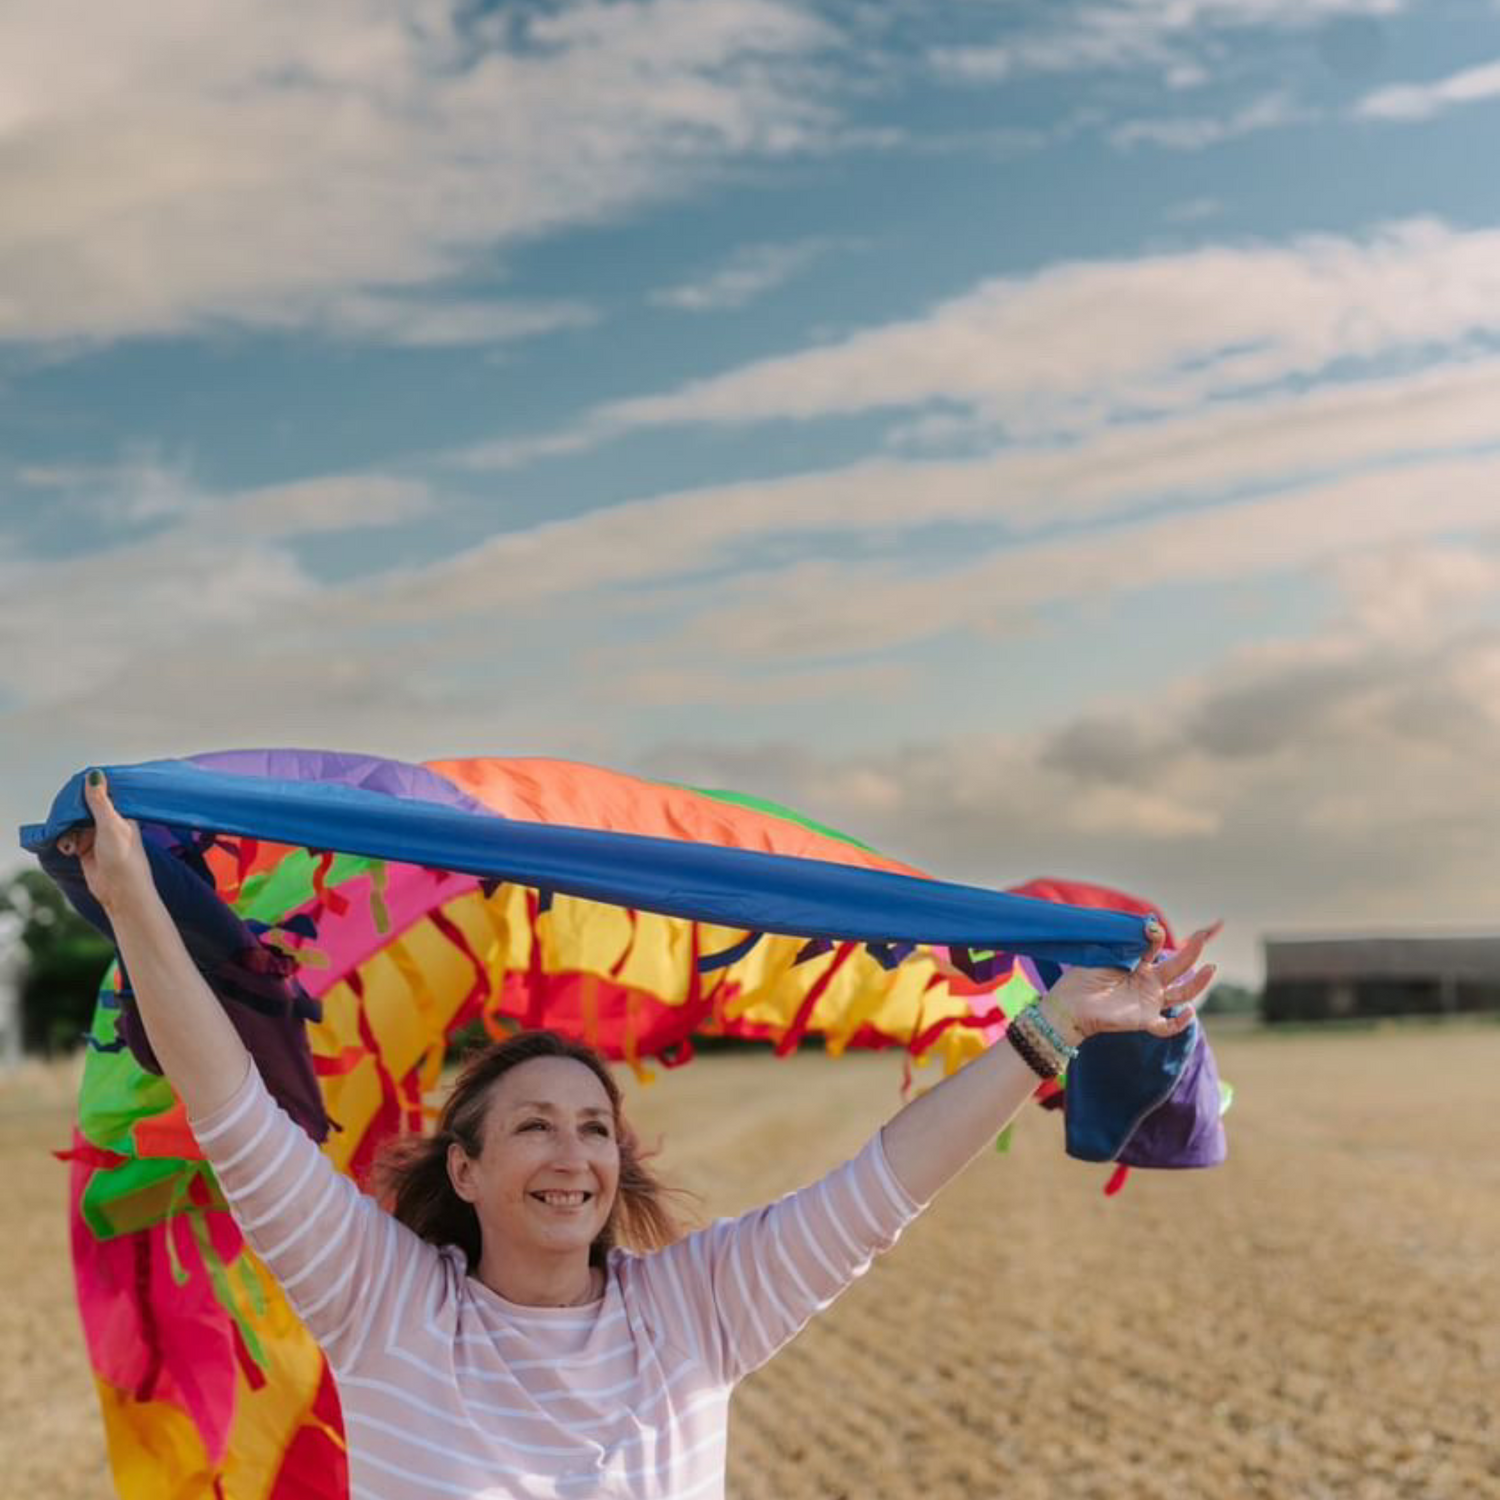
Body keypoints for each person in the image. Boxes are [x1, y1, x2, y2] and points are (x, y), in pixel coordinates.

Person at [58, 771, 1217, 1500]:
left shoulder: (695, 1312)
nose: (573, 1157)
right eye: (533, 1128)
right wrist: (131, 903)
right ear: (464, 1167)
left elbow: (887, 1183)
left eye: (594, 1130)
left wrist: (1056, 1023)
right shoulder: (382, 1305)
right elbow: (230, 1113)